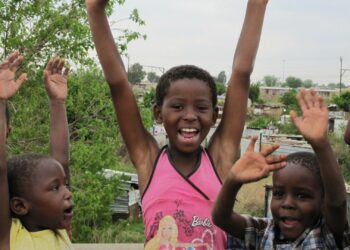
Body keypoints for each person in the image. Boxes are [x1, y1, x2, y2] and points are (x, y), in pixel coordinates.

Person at [86, 0, 268, 247]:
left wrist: (256, 5)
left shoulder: (219, 159)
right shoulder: (149, 160)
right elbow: (118, 83)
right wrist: (95, 10)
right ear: (158, 114)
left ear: (214, 116)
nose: (190, 115)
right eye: (178, 106)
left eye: (201, 108)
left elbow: (241, 73)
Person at [212, 89, 350, 249]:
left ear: (322, 201)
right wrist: (233, 180)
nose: (287, 203)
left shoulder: (327, 234)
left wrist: (321, 144)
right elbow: (221, 217)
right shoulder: (264, 232)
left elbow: (337, 204)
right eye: (278, 194)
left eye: (302, 196)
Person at [0, 51, 73, 250]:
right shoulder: (9, 236)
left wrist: (57, 103)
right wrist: (1, 100)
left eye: (64, 185)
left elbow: (61, 162)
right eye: (56, 188)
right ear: (20, 206)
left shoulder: (59, 229)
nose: (68, 193)